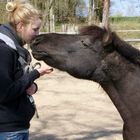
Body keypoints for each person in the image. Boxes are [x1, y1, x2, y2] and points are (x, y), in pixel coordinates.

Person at [0, 1, 52, 140]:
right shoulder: (4, 50)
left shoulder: (15, 47)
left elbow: (17, 82)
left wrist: (33, 86)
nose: (37, 34)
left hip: (16, 128)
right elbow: (4, 93)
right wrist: (35, 74)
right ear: (20, 26)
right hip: (8, 131)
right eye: (35, 29)